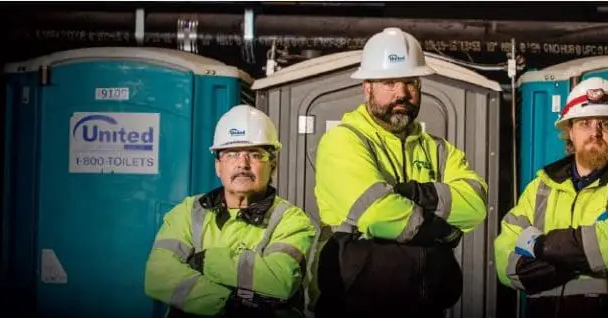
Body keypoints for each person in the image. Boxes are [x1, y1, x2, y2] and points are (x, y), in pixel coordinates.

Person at [311, 27, 488, 318]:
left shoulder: (439, 149)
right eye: (389, 82)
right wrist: (443, 229)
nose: (402, 93)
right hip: (353, 307)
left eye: (410, 82)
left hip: (425, 309)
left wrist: (414, 194)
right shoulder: (344, 140)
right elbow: (376, 214)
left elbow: (477, 203)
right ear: (367, 86)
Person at [494, 77, 608, 318]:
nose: (595, 133)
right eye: (585, 123)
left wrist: (538, 245)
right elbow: (505, 265)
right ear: (570, 132)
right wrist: (582, 254)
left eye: (606, 124)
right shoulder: (540, 188)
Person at [144, 105, 317, 318]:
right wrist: (227, 305)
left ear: (273, 165)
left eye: (255, 155)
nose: (242, 164)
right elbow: (158, 275)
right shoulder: (189, 211)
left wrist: (204, 261)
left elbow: (280, 280)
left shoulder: (290, 219)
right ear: (218, 166)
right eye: (232, 154)